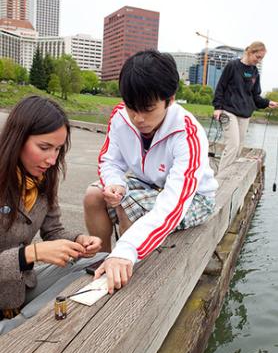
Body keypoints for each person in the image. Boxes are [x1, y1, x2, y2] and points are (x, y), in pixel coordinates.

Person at [84, 50, 218, 294]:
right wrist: (115, 183)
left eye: (147, 108)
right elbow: (109, 161)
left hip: (194, 198)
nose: (138, 118)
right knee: (93, 196)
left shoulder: (188, 135)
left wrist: (127, 248)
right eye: (131, 107)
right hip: (146, 184)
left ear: (170, 99)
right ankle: (104, 259)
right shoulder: (120, 116)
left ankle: (125, 260)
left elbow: (173, 205)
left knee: (127, 202)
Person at [0, 95, 106, 335]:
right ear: (17, 138)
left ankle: (20, 323)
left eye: (58, 149)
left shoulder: (44, 177)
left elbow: (54, 231)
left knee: (100, 260)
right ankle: (20, 327)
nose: (52, 159)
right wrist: (30, 253)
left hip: (19, 288)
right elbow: (31, 252)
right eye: (44, 147)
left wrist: (79, 240)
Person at [213, 41, 278, 173]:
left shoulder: (255, 72)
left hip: (244, 114)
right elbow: (220, 88)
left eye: (261, 58)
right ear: (250, 52)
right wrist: (217, 107)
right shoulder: (232, 66)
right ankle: (221, 178)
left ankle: (229, 175)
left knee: (239, 147)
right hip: (228, 111)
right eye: (257, 57)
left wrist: (267, 103)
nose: (259, 61)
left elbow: (255, 96)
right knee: (233, 145)